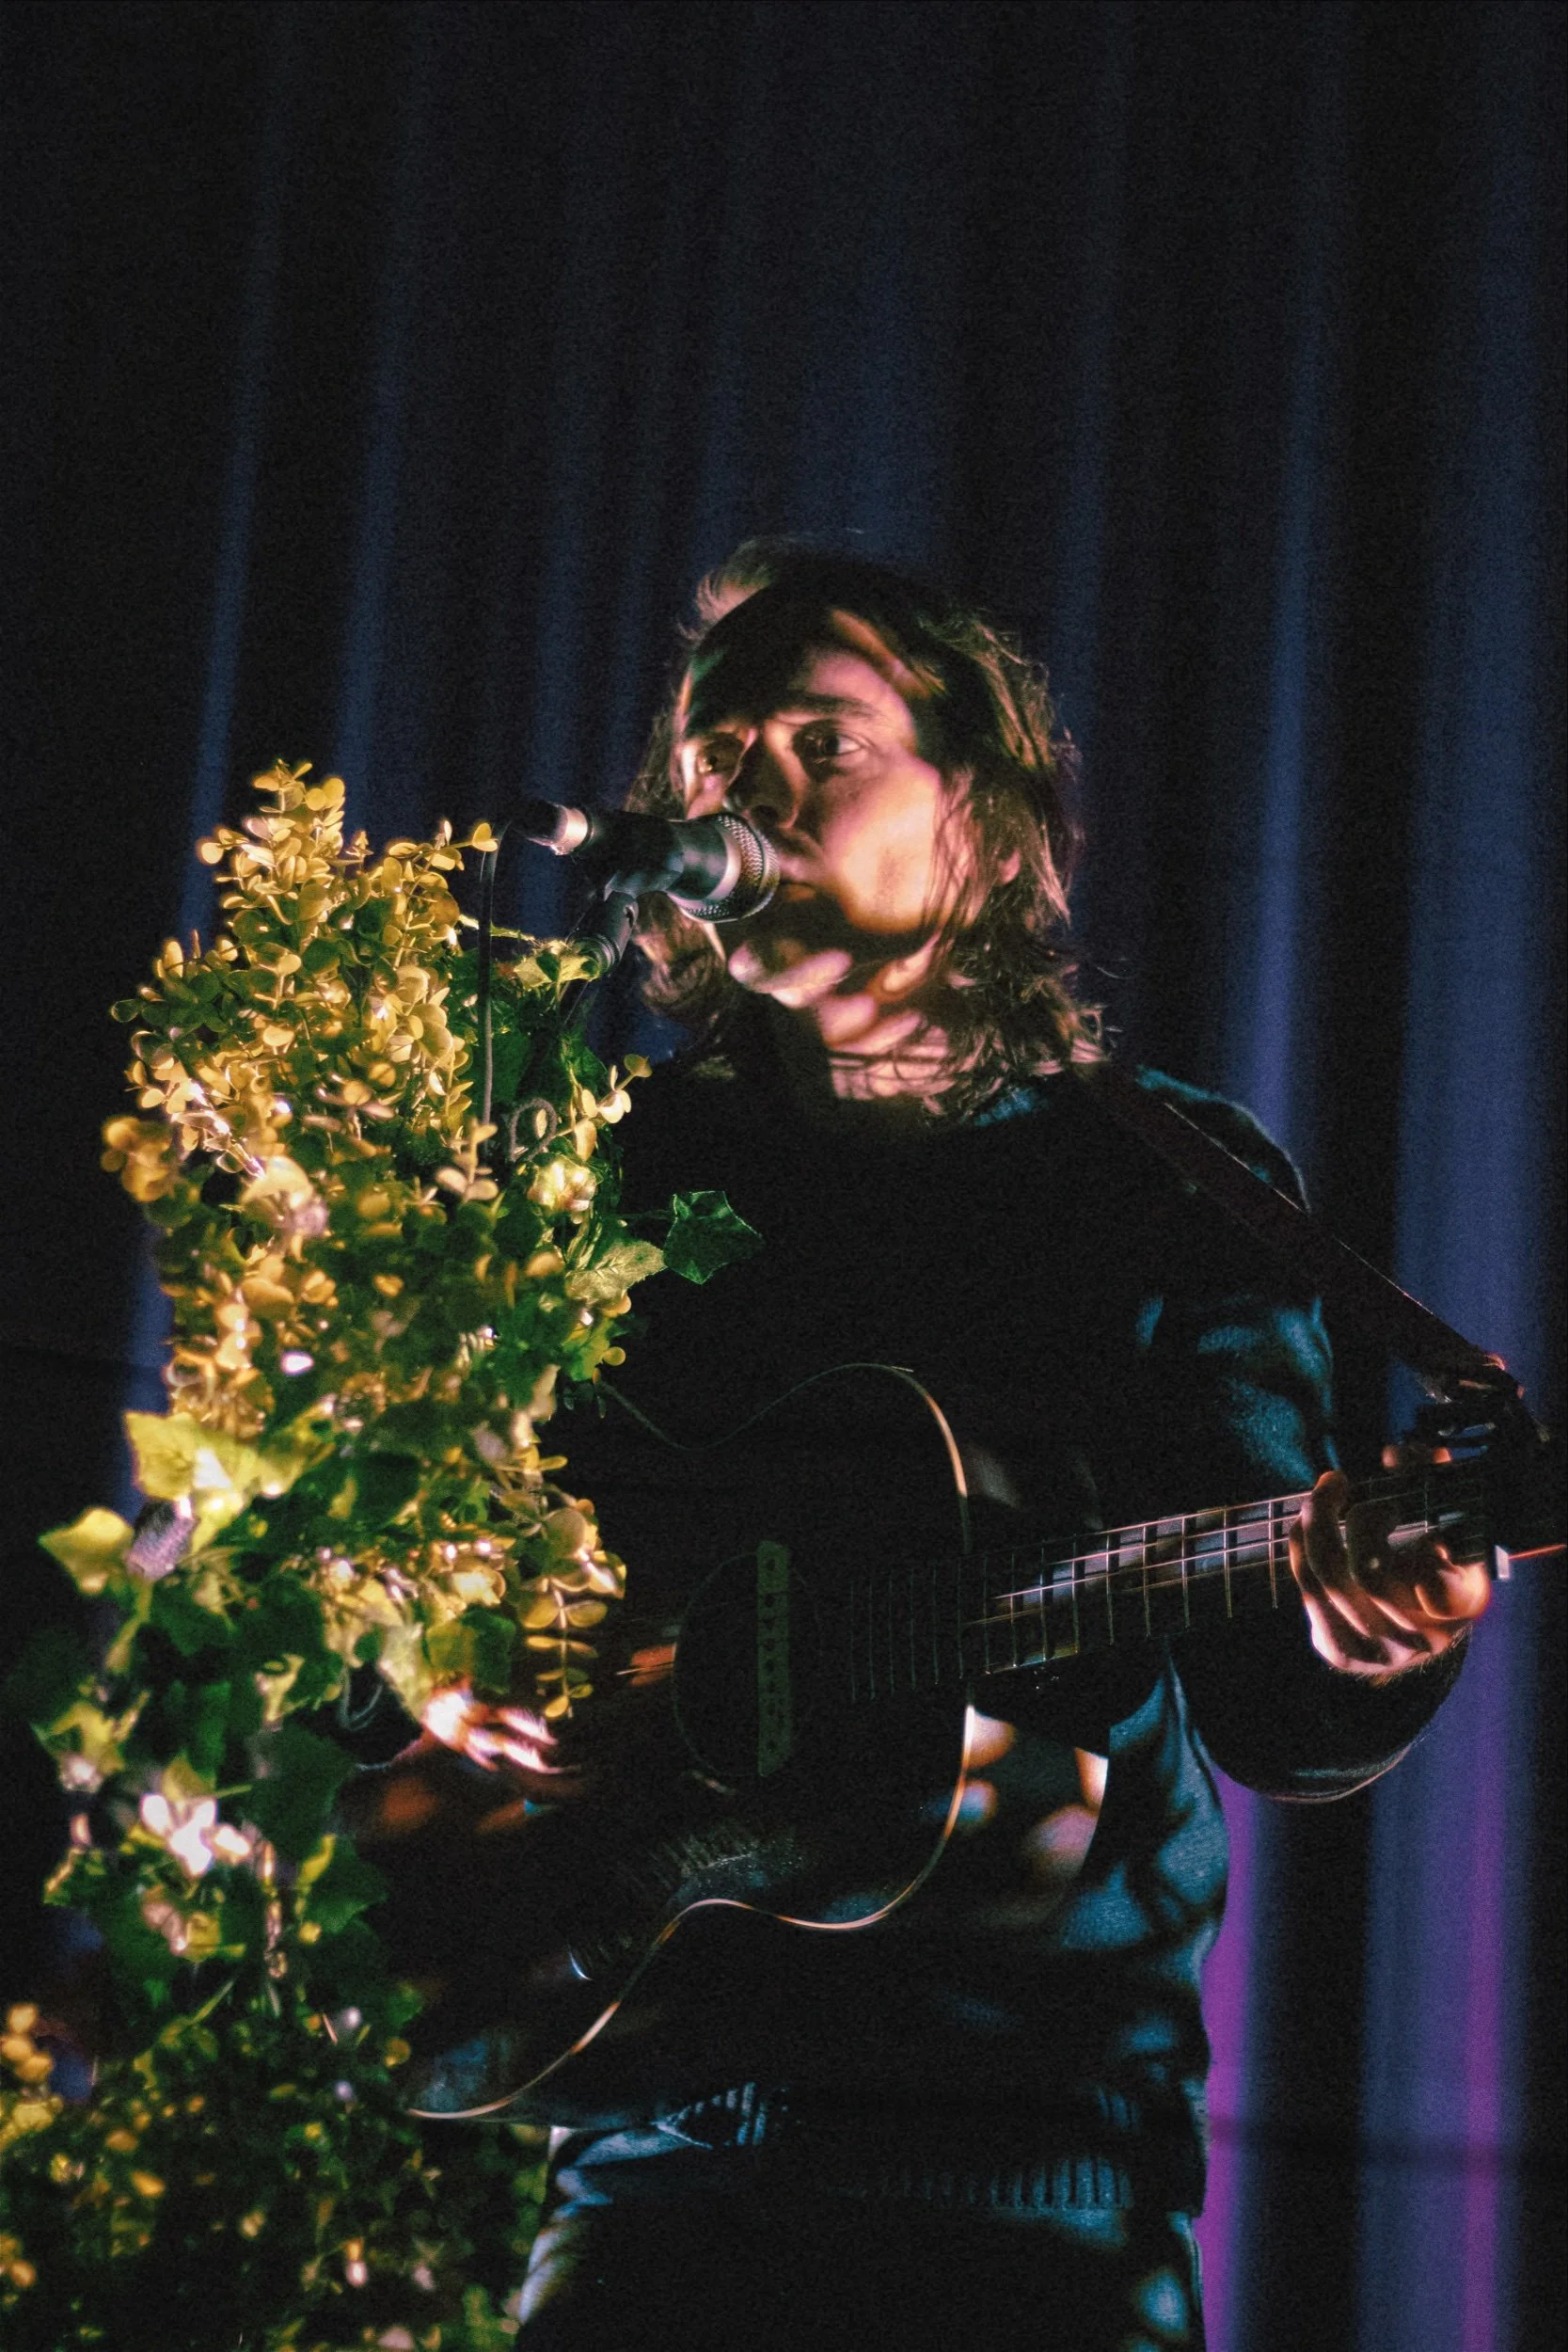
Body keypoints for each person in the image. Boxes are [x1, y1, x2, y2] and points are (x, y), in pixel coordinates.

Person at [403, 546, 1491, 2349]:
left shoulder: (1159, 1185)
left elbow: (1268, 1700)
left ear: (978, 820)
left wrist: (1375, 1631)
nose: (744, 792)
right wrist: (437, 1651)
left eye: (819, 744)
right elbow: (400, 1546)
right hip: (661, 2151)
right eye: (712, 759)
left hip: (1037, 2185)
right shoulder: (605, 1183)